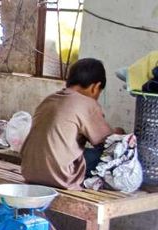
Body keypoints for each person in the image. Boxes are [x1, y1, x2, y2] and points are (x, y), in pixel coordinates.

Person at [21, 58, 124, 190]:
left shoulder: (49, 99)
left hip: (29, 171)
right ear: (95, 87)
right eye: (99, 91)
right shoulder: (87, 104)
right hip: (59, 176)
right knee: (114, 153)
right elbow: (108, 142)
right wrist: (120, 133)